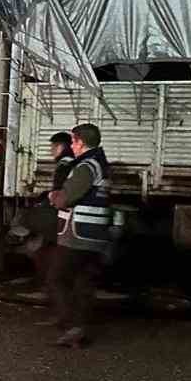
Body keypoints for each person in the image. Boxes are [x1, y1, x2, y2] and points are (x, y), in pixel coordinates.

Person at [48, 122, 118, 347]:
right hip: (94, 234)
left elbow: (66, 198)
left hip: (78, 234)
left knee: (57, 278)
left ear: (80, 142)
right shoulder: (101, 164)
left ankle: (71, 326)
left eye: (73, 141)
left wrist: (55, 197)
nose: (71, 146)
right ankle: (78, 325)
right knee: (82, 281)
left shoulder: (86, 166)